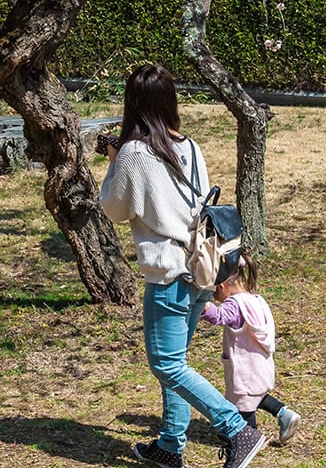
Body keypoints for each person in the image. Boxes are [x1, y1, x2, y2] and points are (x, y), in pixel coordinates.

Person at [99, 63, 266, 468]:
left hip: (168, 273)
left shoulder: (135, 154)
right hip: (200, 269)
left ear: (133, 105)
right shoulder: (190, 147)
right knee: (178, 360)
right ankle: (170, 445)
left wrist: (113, 160)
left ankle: (237, 430)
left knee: (167, 363)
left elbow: (114, 209)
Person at [199, 250, 303, 446]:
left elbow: (219, 316)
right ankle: (285, 414)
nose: (215, 297)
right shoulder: (256, 301)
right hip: (261, 363)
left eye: (214, 292)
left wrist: (201, 304)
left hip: (244, 369)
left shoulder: (235, 306)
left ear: (222, 286)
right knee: (257, 396)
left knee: (244, 407)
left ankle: (248, 439)